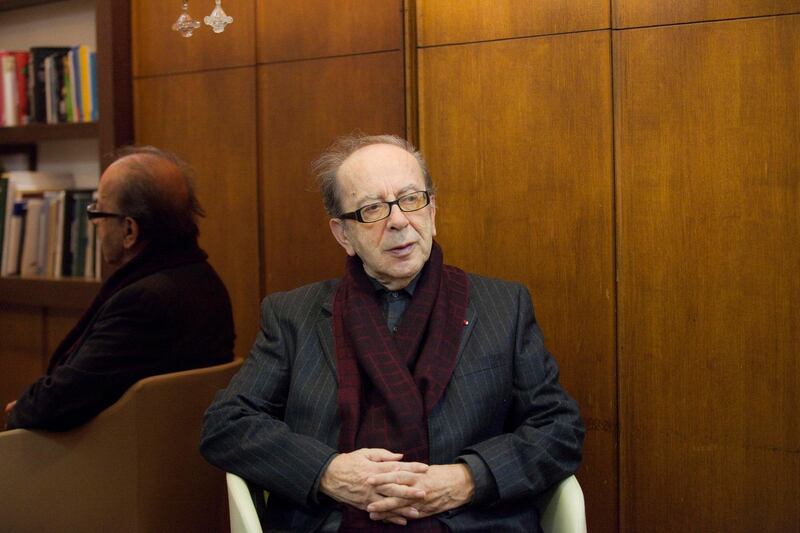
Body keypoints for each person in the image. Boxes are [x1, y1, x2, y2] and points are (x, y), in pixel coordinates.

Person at [200, 134, 583, 532]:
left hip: (467, 521)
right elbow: (228, 424)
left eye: (411, 199)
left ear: (432, 211)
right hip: (337, 522)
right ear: (342, 234)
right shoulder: (293, 315)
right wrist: (328, 472)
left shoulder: (503, 306)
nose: (399, 220)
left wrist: (467, 479)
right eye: (372, 209)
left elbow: (560, 428)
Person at [4, 146, 235, 431]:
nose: (96, 224)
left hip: (109, 462)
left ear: (129, 231)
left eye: (97, 211)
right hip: (170, 456)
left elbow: (58, 403)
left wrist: (24, 408)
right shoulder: (205, 280)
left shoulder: (145, 302)